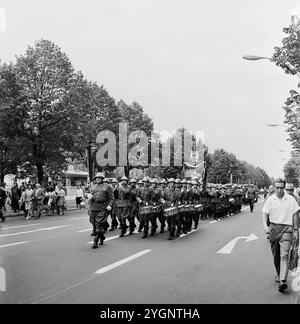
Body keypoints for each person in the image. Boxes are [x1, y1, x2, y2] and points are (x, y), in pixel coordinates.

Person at [262, 178, 299, 292]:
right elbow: (265, 213)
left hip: (287, 229)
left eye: (281, 188)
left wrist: (296, 230)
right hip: (274, 228)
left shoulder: (291, 199)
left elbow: (295, 214)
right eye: (277, 187)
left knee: (284, 255)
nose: (279, 190)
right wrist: (265, 226)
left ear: (284, 188)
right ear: (274, 187)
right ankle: (279, 275)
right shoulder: (270, 199)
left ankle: (283, 280)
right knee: (276, 255)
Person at [89, 172, 114, 249]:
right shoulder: (92, 187)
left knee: (99, 224)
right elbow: (88, 194)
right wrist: (87, 196)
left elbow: (111, 198)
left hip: (102, 207)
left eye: (99, 178)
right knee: (93, 222)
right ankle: (102, 236)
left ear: (102, 179)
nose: (98, 179)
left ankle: (95, 241)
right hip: (93, 207)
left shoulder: (107, 187)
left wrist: (109, 205)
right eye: (96, 178)